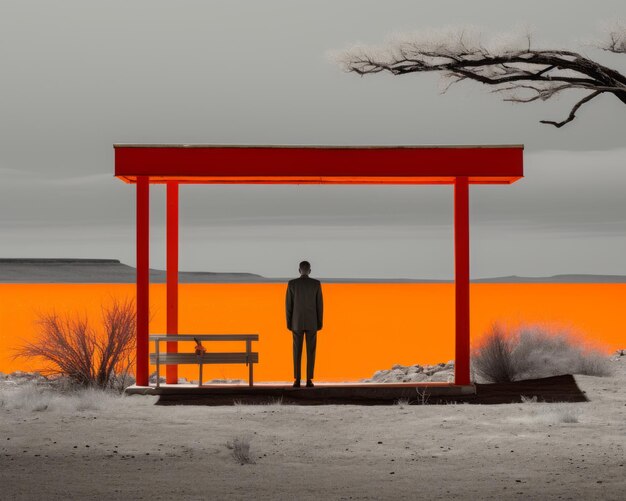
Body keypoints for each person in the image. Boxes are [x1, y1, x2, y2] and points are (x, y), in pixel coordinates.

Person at [285, 260, 323, 388]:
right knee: (311, 352)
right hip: (312, 322)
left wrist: (289, 323)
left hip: (296, 322)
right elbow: (320, 305)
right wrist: (319, 322)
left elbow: (288, 306)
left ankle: (297, 380)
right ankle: (309, 380)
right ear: (310, 270)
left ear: (299, 270)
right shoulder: (316, 284)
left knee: (297, 351)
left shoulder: (292, 284)